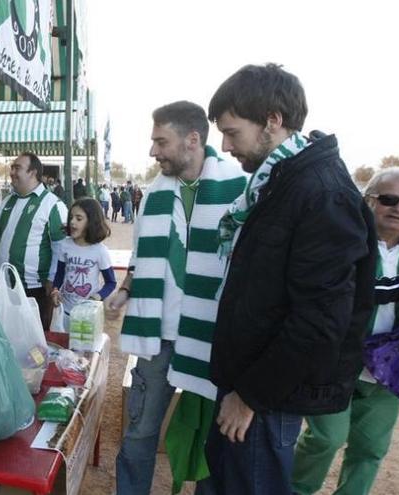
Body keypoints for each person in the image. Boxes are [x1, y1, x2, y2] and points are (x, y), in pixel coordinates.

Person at [204, 63, 376, 495]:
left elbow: (320, 320)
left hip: (266, 395)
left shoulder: (321, 193)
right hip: (249, 381)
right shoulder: (278, 182)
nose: (225, 146)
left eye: (232, 132)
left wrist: (251, 395)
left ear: (273, 121)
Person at [109, 101, 246, 494]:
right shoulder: (152, 194)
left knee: (216, 435)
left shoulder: (239, 187)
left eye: (160, 141)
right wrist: (127, 289)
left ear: (192, 139)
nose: (153, 151)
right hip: (159, 334)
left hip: (214, 336)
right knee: (139, 432)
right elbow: (140, 256)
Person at [291, 167, 399, 495]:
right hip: (334, 362)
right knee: (325, 439)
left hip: (390, 368)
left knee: (371, 449)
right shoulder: (343, 241)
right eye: (388, 199)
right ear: (368, 200)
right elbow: (347, 290)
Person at [0, 152, 67, 330]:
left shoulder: (53, 205)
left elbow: (60, 248)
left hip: (35, 289)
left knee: (35, 345)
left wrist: (51, 280)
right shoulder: (7, 202)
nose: (12, 172)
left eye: (17, 168)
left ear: (33, 173)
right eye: (12, 168)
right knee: (7, 335)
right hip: (4, 287)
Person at [50, 197, 116, 329]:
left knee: (83, 348)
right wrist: (55, 290)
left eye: (79, 219)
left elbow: (111, 282)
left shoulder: (100, 251)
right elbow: (60, 273)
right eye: (71, 217)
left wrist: (98, 296)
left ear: (91, 222)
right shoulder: (64, 245)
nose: (72, 222)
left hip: (87, 316)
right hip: (65, 312)